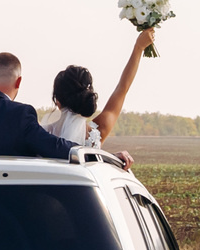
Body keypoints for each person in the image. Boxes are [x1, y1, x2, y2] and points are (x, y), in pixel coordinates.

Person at [39, 27, 151, 165]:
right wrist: (138, 47)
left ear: (57, 101)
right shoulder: (95, 133)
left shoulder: (39, 135)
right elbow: (122, 89)